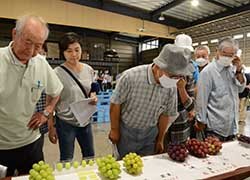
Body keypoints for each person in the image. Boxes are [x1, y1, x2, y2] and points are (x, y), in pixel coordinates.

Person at [0, 15, 63, 176]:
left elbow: (56, 91)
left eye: (38, 46)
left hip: (31, 143)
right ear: (15, 34)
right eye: (28, 42)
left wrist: (46, 113)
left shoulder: (41, 63)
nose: (32, 51)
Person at [109, 44, 194, 158]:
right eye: (173, 76)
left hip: (150, 135)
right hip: (127, 133)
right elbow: (115, 104)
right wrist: (114, 130)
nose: (175, 80)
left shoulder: (171, 87)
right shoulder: (131, 77)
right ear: (159, 67)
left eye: (179, 77)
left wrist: (160, 139)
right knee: (123, 167)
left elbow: (166, 114)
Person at [48, 32, 97, 162]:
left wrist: (93, 96)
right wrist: (51, 127)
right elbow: (50, 101)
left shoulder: (88, 69)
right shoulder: (56, 73)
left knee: (89, 156)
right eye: (69, 51)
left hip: (85, 121)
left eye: (77, 50)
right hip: (65, 123)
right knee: (66, 159)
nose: (74, 54)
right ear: (63, 53)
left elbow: (93, 88)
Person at [195, 37, 246, 142]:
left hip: (232, 127)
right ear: (217, 51)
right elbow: (202, 100)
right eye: (224, 53)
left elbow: (241, 89)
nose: (227, 57)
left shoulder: (233, 69)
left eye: (231, 55)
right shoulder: (208, 72)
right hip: (215, 129)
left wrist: (239, 70)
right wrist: (201, 121)